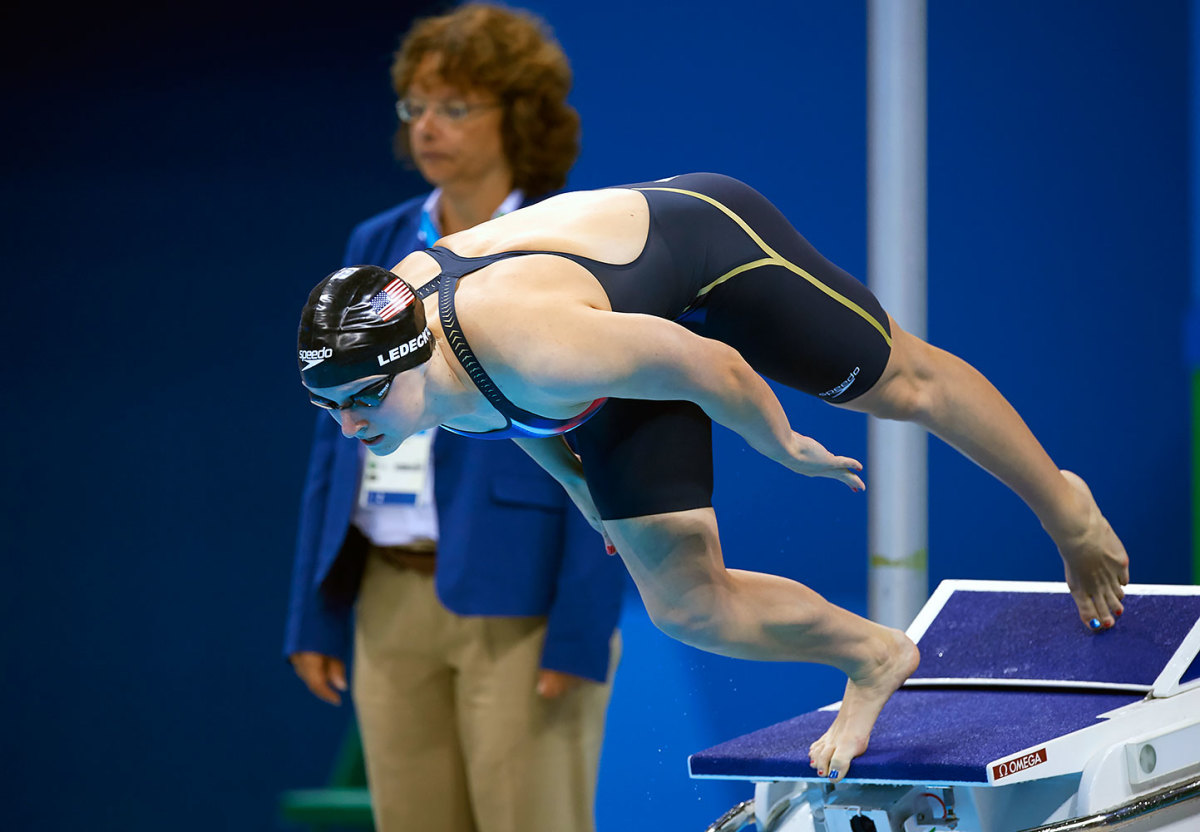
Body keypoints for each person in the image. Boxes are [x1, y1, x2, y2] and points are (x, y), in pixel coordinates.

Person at [296, 171, 1131, 783]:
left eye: (362, 400)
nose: (348, 425)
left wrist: (782, 443)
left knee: (906, 386)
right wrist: (587, 494)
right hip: (613, 338)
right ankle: (876, 655)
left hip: (704, 255)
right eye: (327, 406)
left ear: (409, 362)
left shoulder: (532, 345)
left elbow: (710, 364)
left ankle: (1068, 510)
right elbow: (503, 415)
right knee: (689, 609)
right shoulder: (413, 373)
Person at [284, 5, 624, 832]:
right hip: (387, 593)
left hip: (521, 596)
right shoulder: (380, 235)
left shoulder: (571, 237)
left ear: (519, 113)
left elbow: (612, 443)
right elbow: (334, 440)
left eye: (455, 107)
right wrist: (315, 610)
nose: (428, 127)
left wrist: (580, 628)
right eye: (415, 106)